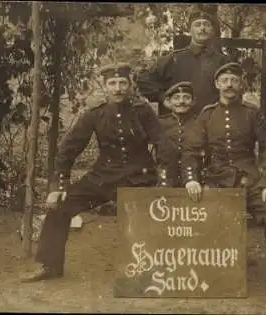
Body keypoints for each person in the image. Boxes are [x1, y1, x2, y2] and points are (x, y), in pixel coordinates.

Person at [21, 63, 161, 282]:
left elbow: (163, 145)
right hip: (103, 177)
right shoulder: (96, 114)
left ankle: (149, 271)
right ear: (104, 87)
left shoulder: (143, 112)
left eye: (122, 83)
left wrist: (163, 179)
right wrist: (58, 187)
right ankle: (50, 265)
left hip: (138, 177)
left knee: (146, 219)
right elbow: (68, 150)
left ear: (131, 85)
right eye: (112, 84)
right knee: (60, 208)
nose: (118, 89)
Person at [181, 62, 266, 307]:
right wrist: (191, 178)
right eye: (225, 80)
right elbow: (191, 149)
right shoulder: (207, 115)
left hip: (250, 181)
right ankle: (206, 277)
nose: (229, 85)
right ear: (217, 85)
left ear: (241, 84)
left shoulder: (251, 114)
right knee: (202, 217)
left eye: (234, 80)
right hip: (217, 181)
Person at [135, 9, 233, 118]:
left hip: (212, 122)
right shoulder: (173, 59)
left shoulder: (223, 62)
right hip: (179, 125)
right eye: (197, 25)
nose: (202, 28)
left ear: (213, 30)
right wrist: (163, 97)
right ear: (190, 30)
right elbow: (143, 79)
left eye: (206, 25)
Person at [156, 81, 197, 187]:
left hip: (193, 177)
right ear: (168, 102)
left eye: (186, 97)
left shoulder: (199, 122)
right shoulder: (160, 123)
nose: (181, 101)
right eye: (176, 98)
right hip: (165, 178)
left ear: (193, 102)